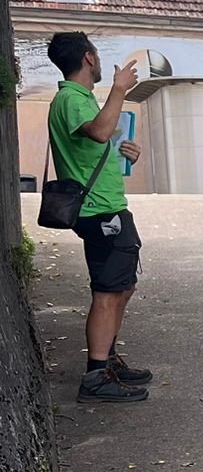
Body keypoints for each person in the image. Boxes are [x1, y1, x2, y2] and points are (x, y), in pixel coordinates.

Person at [44, 32, 151, 403]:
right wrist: (120, 89)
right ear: (89, 58)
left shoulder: (82, 99)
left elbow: (98, 142)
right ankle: (95, 376)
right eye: (98, 56)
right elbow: (100, 131)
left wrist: (126, 154)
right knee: (107, 293)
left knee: (122, 286)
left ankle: (107, 361)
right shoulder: (71, 98)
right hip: (100, 211)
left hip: (107, 207)